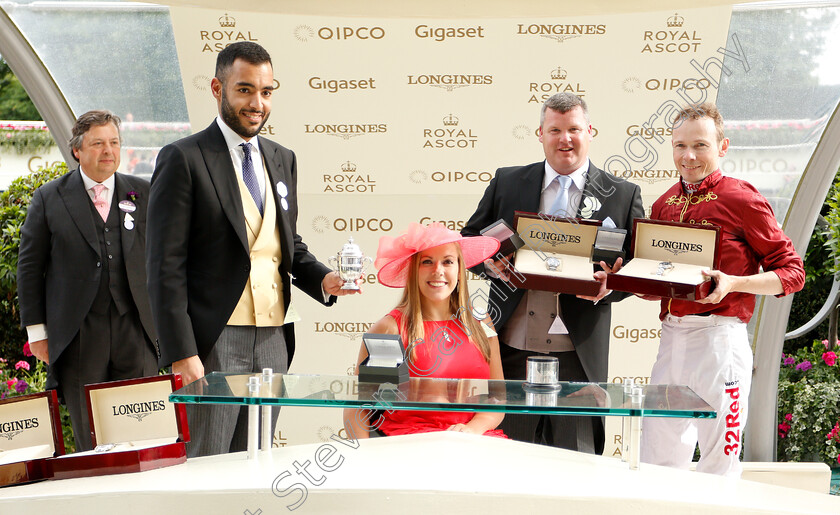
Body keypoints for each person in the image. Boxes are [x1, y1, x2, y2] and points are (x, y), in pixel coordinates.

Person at [146, 41, 354, 457]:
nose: (257, 102)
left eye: (266, 91)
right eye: (244, 90)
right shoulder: (183, 158)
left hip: (274, 335)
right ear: (217, 88)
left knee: (256, 457)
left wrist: (324, 279)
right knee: (208, 458)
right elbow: (163, 266)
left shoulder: (283, 158)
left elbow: (286, 241)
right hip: (215, 337)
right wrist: (182, 352)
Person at [461, 93, 644, 454]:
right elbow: (468, 241)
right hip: (510, 348)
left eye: (574, 129)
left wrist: (612, 287)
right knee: (507, 457)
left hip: (578, 355)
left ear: (590, 131)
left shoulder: (622, 194)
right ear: (540, 134)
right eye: (555, 129)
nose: (565, 139)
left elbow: (640, 265)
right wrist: (488, 264)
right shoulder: (507, 182)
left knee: (577, 462)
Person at [639, 103, 804, 477]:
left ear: (722, 147)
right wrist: (627, 278)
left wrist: (734, 283)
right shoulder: (664, 204)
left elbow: (793, 272)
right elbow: (656, 286)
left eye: (700, 145)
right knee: (656, 462)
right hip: (671, 340)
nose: (689, 156)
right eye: (680, 145)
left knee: (719, 463)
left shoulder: (742, 198)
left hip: (720, 342)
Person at [17, 110, 158, 451]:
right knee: (90, 437)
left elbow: (165, 260)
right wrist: (37, 333)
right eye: (98, 143)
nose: (108, 150)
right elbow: (30, 267)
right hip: (79, 333)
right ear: (78, 150)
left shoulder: (143, 192)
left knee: (142, 431)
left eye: (114, 142)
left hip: (136, 327)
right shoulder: (49, 197)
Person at [344, 222, 506, 438]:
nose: (437, 271)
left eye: (447, 261)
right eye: (427, 262)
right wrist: (365, 458)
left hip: (472, 442)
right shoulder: (392, 328)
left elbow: (497, 398)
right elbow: (361, 406)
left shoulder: (480, 321)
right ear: (413, 271)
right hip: (407, 446)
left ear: (460, 270)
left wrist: (471, 430)